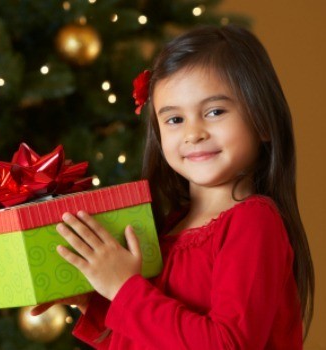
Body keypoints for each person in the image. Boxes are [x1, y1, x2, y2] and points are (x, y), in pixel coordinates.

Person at [31, 24, 314, 349]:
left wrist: (124, 289)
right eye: (175, 120)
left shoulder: (253, 222)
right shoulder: (170, 227)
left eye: (215, 111)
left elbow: (227, 345)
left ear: (262, 120)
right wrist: (95, 299)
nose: (193, 133)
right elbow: (151, 336)